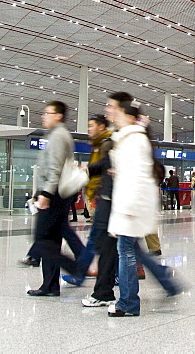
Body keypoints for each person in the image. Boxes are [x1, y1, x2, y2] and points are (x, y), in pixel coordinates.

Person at [107, 102, 180, 316]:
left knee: (126, 252)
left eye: (115, 110)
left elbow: (138, 176)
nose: (112, 114)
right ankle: (160, 284)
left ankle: (128, 303)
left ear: (129, 116)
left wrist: (129, 205)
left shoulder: (134, 139)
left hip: (131, 207)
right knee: (128, 250)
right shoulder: (128, 138)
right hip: (129, 205)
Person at [25, 101, 78, 296]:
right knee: (52, 240)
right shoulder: (58, 134)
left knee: (42, 239)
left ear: (58, 116)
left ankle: (74, 268)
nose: (43, 116)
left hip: (53, 195)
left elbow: (55, 169)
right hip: (56, 194)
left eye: (48, 113)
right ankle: (50, 285)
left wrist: (46, 194)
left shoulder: (58, 136)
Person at [64, 115, 117, 307]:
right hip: (102, 197)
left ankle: (83, 277)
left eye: (91, 125)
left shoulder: (107, 143)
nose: (89, 129)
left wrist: (87, 172)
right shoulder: (99, 143)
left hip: (105, 198)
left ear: (101, 127)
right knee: (105, 243)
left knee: (101, 241)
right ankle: (94, 280)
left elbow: (105, 168)